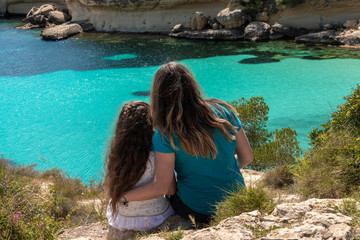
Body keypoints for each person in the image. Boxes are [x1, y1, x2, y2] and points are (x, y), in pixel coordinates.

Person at [124, 62, 253, 223]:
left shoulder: (166, 133)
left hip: (198, 210)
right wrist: (222, 171)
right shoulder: (224, 111)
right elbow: (247, 157)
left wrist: (122, 196)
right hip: (238, 199)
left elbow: (162, 186)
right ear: (192, 85)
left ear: (159, 95)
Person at [104, 101, 175, 238]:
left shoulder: (116, 156)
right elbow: (170, 190)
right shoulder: (158, 156)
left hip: (122, 218)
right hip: (156, 217)